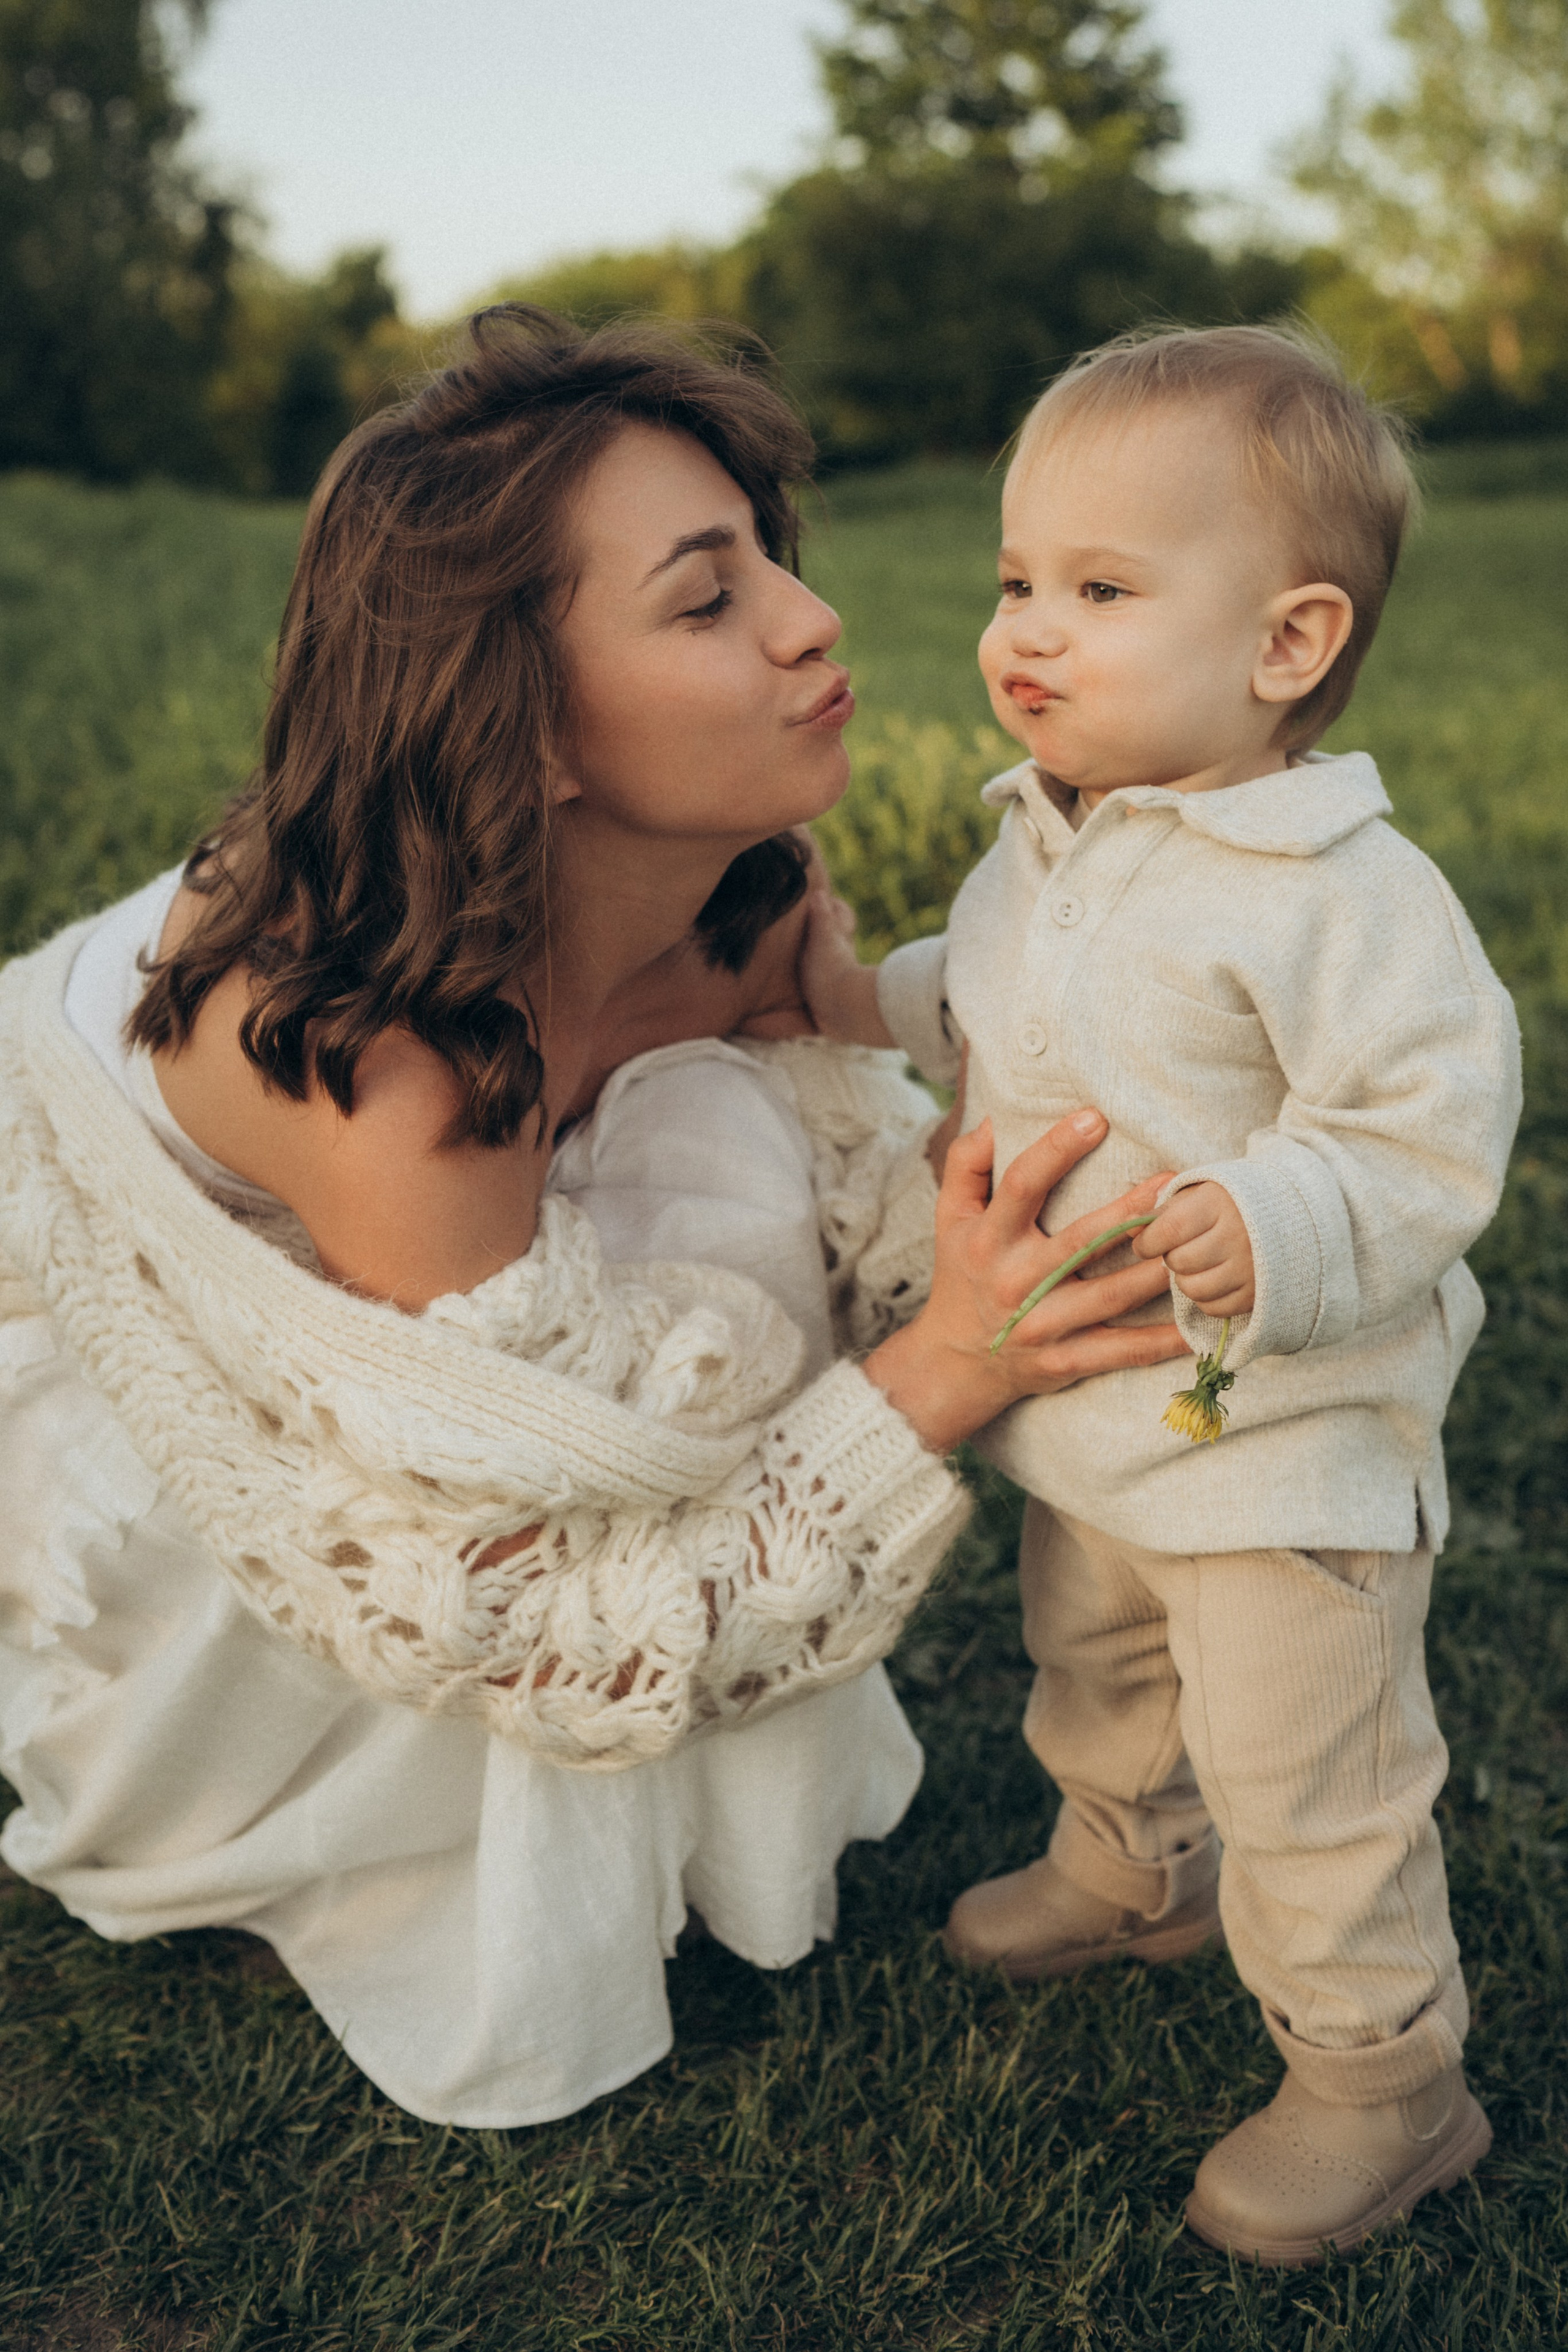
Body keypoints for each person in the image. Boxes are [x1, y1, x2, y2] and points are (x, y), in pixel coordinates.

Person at [0, 306, 1187, 2130]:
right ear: (524, 722)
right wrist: (944, 1367)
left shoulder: (733, 877)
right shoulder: (398, 1075)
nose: (813, 622)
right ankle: (289, 1824)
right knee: (572, 1472)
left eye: (769, 566)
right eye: (706, 602)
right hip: (86, 1303)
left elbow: (823, 1118)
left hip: (430, 1199)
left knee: (726, 1166)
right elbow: (541, 1617)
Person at [801, 324, 1521, 2261]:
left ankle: (1386, 2083)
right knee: (1101, 1667)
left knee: (1315, 1775)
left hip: (1283, 1447)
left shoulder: (1338, 890)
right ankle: (1132, 1865)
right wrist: (849, 999)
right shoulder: (1053, 832)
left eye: (1102, 591)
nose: (1026, 628)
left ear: (1287, 646)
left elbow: (1432, 1116)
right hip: (1101, 1417)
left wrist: (1280, 1216)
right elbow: (993, 989)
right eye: (1017, 579)